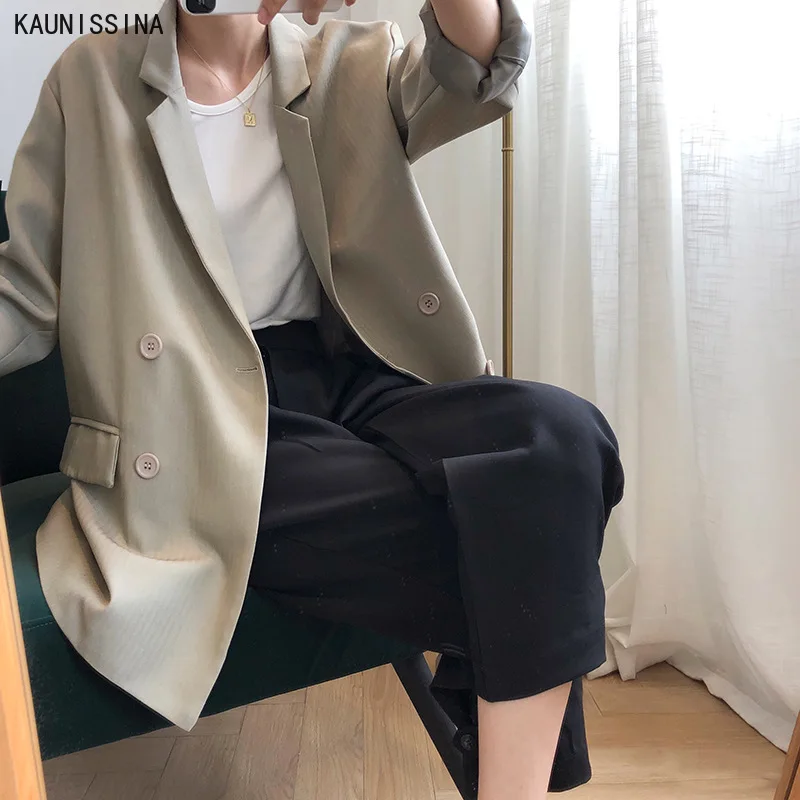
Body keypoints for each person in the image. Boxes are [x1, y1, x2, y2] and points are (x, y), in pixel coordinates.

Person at [0, 0, 624, 796]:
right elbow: (26, 295)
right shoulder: (92, 78)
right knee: (524, 527)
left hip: (353, 371)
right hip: (196, 412)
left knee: (562, 441)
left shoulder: (346, 58)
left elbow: (478, 65)